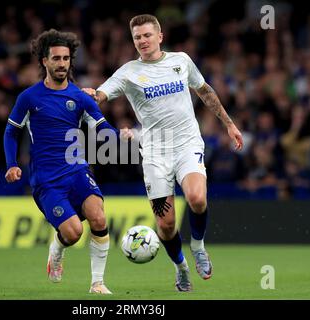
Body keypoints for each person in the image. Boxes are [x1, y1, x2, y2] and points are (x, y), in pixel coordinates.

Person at [83, 14, 243, 292]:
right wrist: (92, 95)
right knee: (166, 225)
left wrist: (228, 124)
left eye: (147, 35)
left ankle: (198, 246)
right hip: (155, 153)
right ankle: (181, 268)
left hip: (187, 144)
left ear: (160, 36)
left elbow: (204, 91)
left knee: (196, 197)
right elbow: (102, 94)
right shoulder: (128, 72)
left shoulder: (180, 61)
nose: (142, 41)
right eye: (137, 37)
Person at [3, 29, 132, 294]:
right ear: (45, 62)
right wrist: (11, 163)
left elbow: (102, 128)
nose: (62, 63)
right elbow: (11, 131)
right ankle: (58, 249)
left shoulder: (80, 98)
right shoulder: (29, 97)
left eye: (66, 58)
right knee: (73, 233)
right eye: (56, 59)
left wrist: (121, 135)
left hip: (76, 169)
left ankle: (97, 283)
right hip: (47, 180)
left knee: (98, 216)